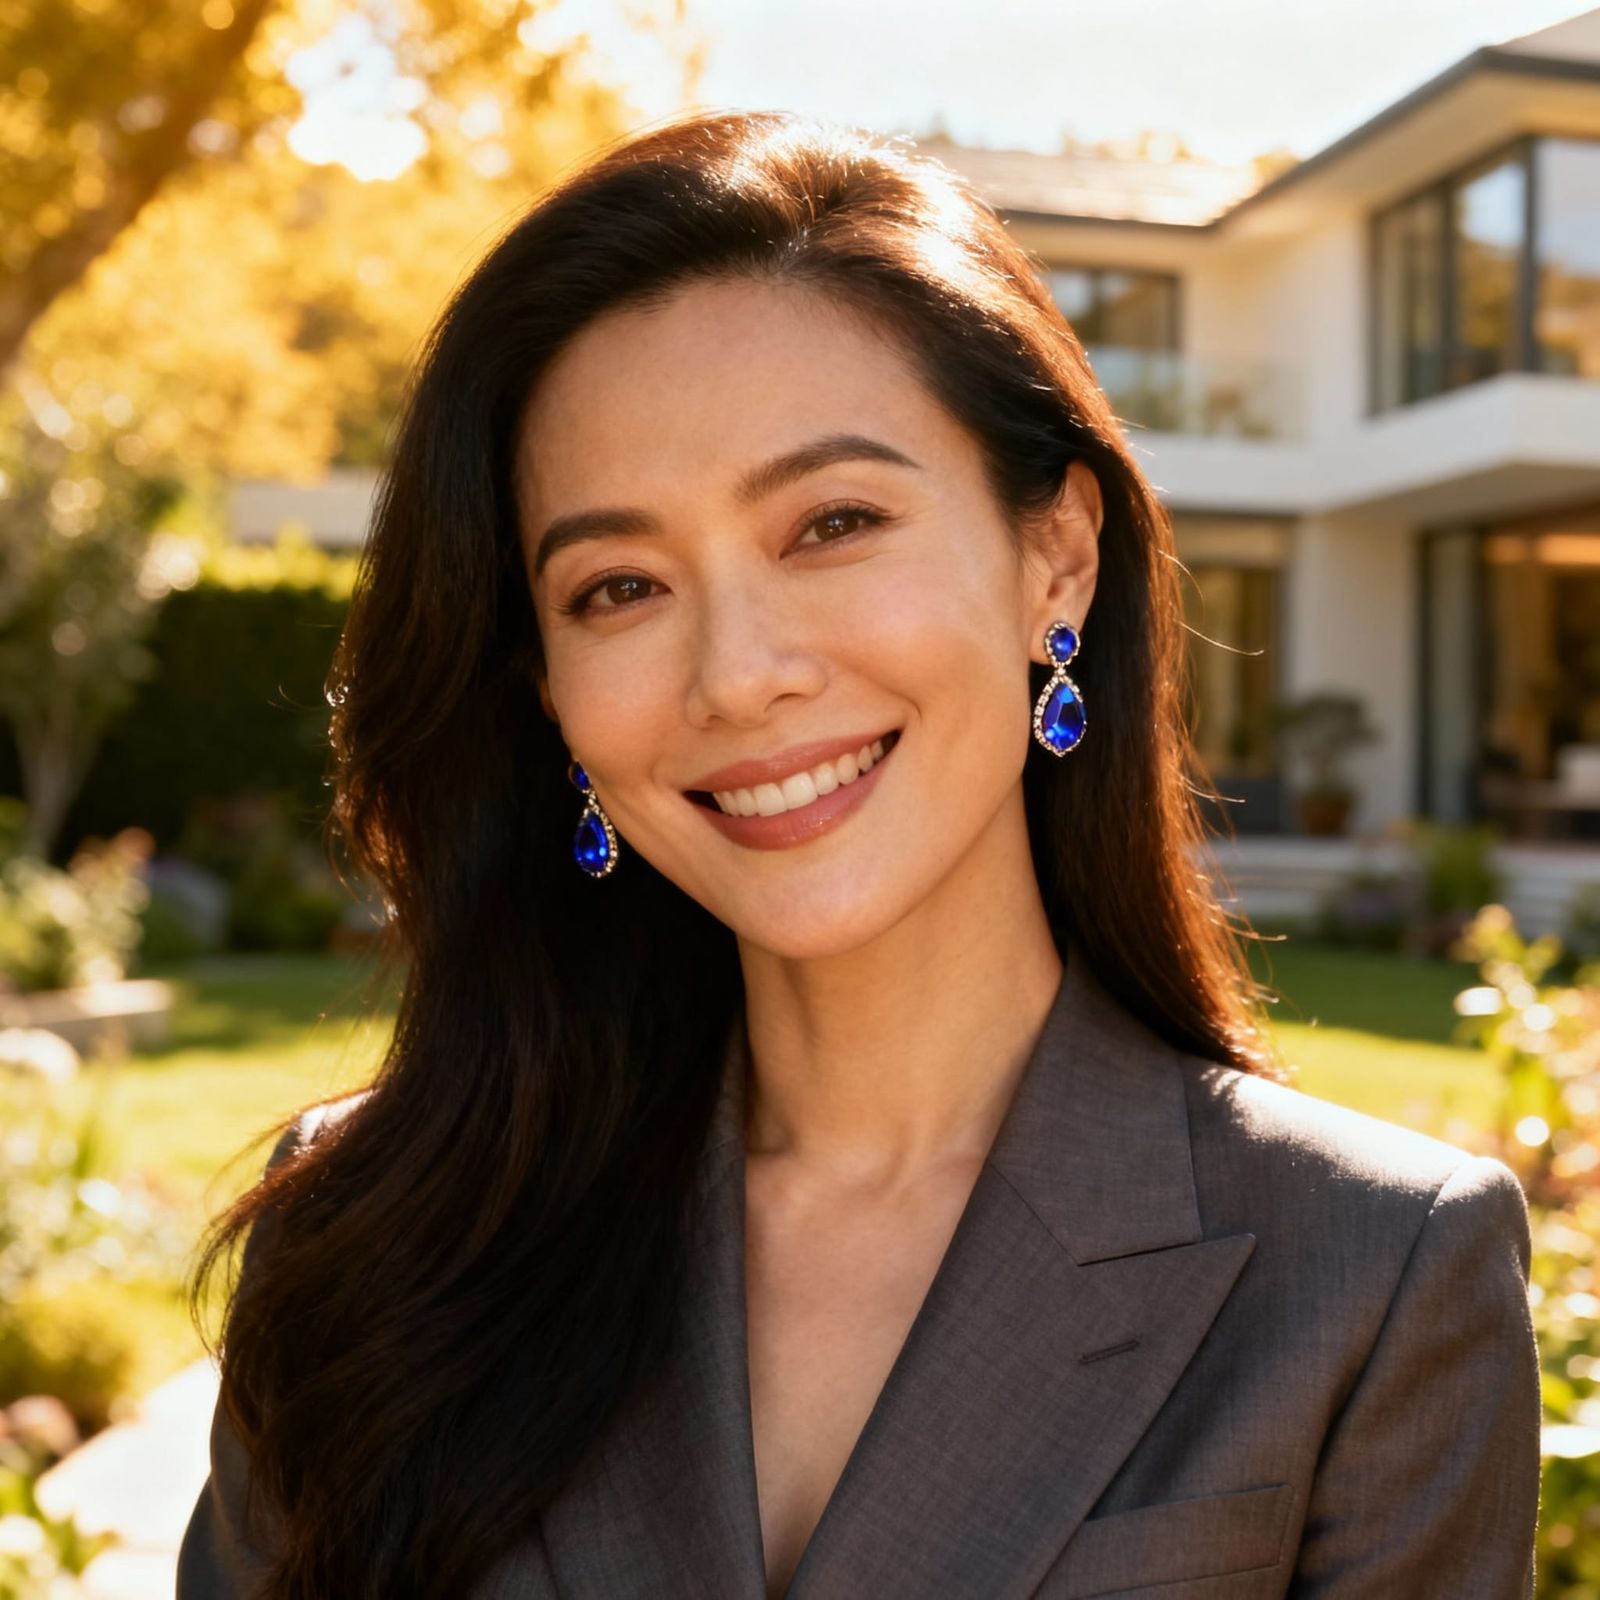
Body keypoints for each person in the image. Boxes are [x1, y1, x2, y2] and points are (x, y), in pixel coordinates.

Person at [177, 109, 1541, 1600]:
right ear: (546, 689)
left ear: (1056, 560)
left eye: (831, 521)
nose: (738, 675)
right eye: (619, 585)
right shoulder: (370, 1239)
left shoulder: (1371, 1277)